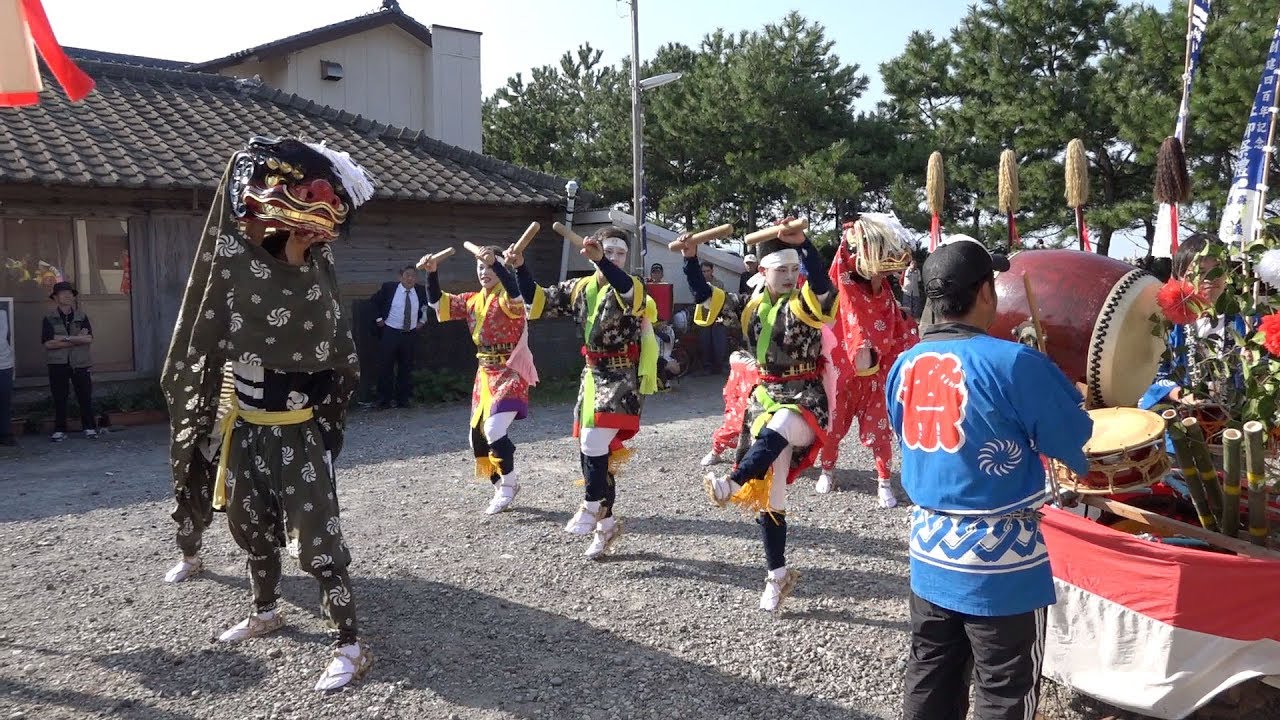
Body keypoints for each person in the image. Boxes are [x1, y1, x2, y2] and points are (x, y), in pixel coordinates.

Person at [161, 135, 375, 690]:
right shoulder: (236, 272)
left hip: (294, 434)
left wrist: (298, 250)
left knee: (318, 540)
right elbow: (228, 269)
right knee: (251, 527)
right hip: (247, 430)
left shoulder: (312, 284)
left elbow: (328, 350)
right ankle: (265, 610)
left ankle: (350, 644)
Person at [885, 239, 1092, 720]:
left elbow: (906, 432)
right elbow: (1074, 437)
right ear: (985, 292)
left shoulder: (904, 364)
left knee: (931, 673)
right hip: (1001, 565)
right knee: (1005, 689)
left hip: (930, 550)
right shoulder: (1014, 362)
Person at [686, 219, 837, 612]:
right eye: (781, 269)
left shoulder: (804, 303)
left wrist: (805, 246)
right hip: (766, 398)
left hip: (804, 398)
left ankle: (732, 482)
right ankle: (777, 574)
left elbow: (822, 286)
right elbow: (705, 296)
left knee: (782, 422)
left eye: (794, 269)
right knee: (773, 496)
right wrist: (690, 258)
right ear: (762, 271)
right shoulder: (749, 307)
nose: (789, 276)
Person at [515, 227, 659, 559]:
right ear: (591, 252)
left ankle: (591, 505)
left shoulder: (634, 286)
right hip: (592, 375)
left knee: (593, 442)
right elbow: (537, 301)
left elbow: (624, 287)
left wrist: (602, 261)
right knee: (591, 452)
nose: (615, 258)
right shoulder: (578, 287)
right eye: (608, 251)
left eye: (620, 253)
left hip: (622, 376)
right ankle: (606, 525)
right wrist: (520, 267)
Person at [422, 244, 536, 515]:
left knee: (494, 428)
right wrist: (431, 273)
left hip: (510, 370)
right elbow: (438, 303)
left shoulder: (508, 298)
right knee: (477, 439)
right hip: (484, 374)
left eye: (490, 267)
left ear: (501, 268)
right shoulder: (473, 300)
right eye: (480, 267)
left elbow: (517, 294)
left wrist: (498, 263)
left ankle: (509, 485)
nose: (484, 272)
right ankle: (500, 485)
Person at [818, 214, 919, 503]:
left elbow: (899, 332)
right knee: (834, 427)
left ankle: (884, 480)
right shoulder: (843, 286)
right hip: (843, 374)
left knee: (880, 431)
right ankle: (827, 469)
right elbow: (841, 267)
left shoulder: (885, 295)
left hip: (875, 375)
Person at [41, 281, 96, 441]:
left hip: (80, 362)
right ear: (55, 297)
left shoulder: (81, 316)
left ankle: (89, 427)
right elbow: (48, 343)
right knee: (59, 397)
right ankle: (59, 429)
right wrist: (76, 339)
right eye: (62, 293)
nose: (67, 295)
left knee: (85, 395)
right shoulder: (49, 318)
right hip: (57, 363)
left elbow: (88, 339)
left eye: (70, 293)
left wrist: (63, 338)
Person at [369, 266, 428, 408]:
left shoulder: (420, 291)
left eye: (413, 276)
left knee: (406, 367)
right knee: (386, 366)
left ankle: (403, 400)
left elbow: (425, 307)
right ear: (400, 277)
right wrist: (378, 319)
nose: (410, 279)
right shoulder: (389, 288)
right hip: (390, 331)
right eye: (407, 275)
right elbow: (373, 302)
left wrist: (422, 320)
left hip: (410, 333)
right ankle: (383, 400)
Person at [699, 261, 728, 374]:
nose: (705, 273)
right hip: (704, 314)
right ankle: (707, 366)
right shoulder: (698, 283)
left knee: (719, 340)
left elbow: (721, 298)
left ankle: (719, 365)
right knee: (705, 341)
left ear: (712, 271)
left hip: (717, 315)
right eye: (703, 271)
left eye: (707, 271)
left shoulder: (719, 283)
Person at [0, 300, 13, 446]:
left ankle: (5, 433)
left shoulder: (2, 313)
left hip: (4, 364)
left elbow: (2, 339)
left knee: (4, 400)